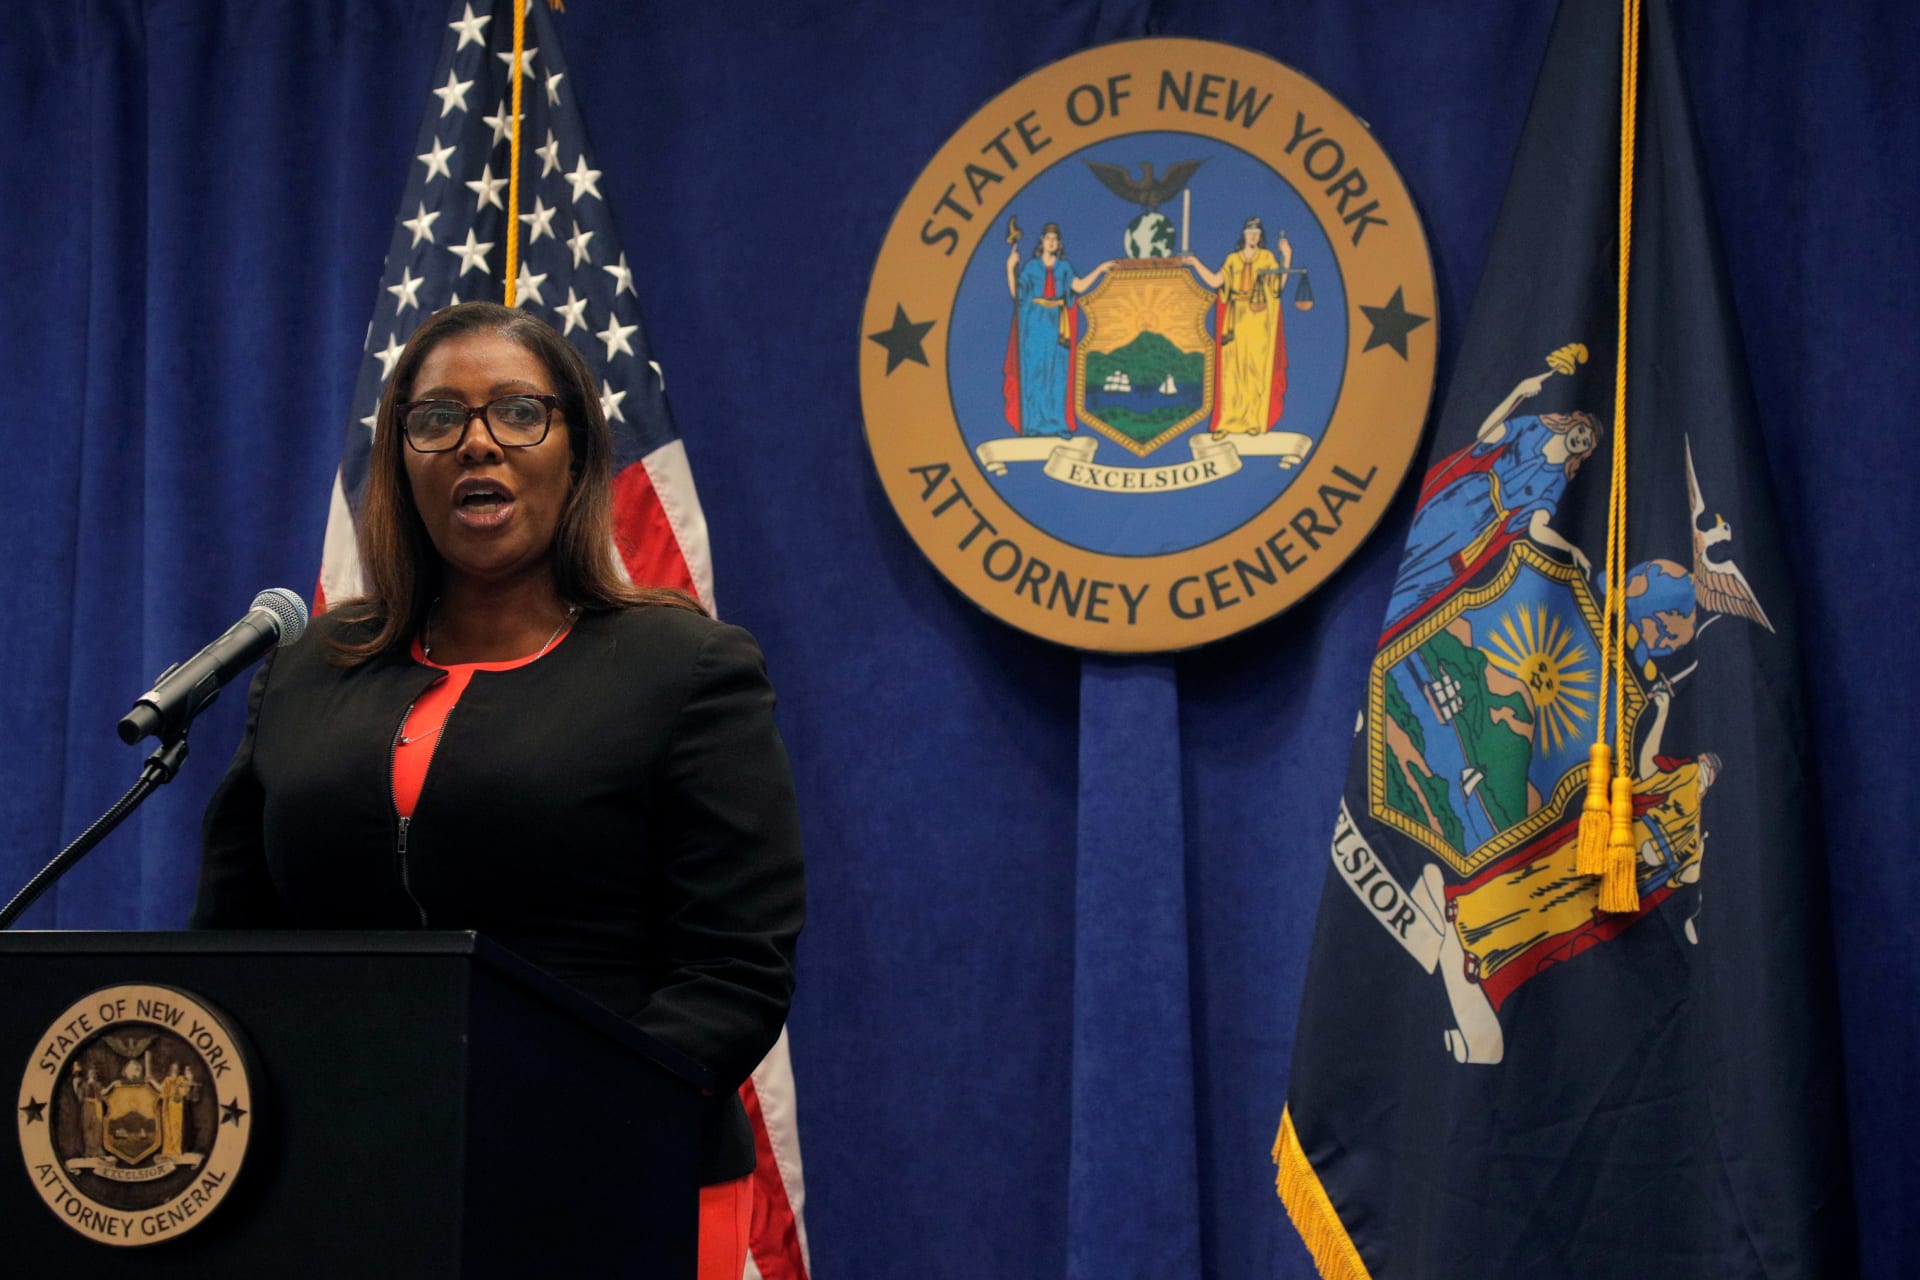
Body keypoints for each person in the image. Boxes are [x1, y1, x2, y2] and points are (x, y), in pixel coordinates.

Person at [193, 302, 804, 1278]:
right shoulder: (307, 669)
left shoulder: (686, 667)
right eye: (437, 418)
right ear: (401, 457)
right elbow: (233, 942)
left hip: (608, 1182)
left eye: (519, 412)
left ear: (575, 451)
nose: (477, 442)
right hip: (344, 1184)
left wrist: (551, 1114)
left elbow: (733, 972)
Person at [1383, 369, 1601, 630]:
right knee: (1417, 542)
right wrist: (1518, 391)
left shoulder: (1558, 479)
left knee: (1433, 576)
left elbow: (1537, 528)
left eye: (1586, 441)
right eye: (1582, 430)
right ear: (1573, 423)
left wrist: (1570, 549)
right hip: (1467, 495)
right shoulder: (1535, 427)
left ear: (1585, 451)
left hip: (1481, 527)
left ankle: (1395, 618)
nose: (1580, 438)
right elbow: (1487, 433)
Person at [1183, 217, 1291, 438]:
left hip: (1258, 319)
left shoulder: (1268, 258)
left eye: (1256, 232)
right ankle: (1228, 421)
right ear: (1243, 234)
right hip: (1235, 320)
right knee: (1232, 372)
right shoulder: (1233, 260)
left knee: (1254, 370)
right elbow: (1215, 281)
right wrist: (1194, 263)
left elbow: (1277, 286)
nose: (1252, 236)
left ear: (1261, 236)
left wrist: (1287, 256)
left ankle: (1253, 419)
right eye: (1249, 231)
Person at [1002, 223, 1112, 436]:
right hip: (1035, 323)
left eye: (1055, 239)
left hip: (1059, 327)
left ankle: (1056, 423)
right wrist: (1009, 267)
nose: (1051, 242)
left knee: (1057, 375)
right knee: (1035, 373)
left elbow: (1078, 287)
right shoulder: (1031, 268)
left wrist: (1099, 269)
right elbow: (1018, 295)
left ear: (1059, 244)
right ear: (1042, 241)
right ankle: (1033, 424)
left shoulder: (1064, 268)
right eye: (1048, 238)